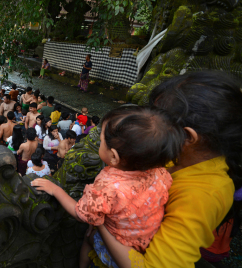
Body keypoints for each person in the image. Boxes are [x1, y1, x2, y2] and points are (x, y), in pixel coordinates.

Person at [94, 71, 242, 268]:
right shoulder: (179, 155)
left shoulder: (201, 196)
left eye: (158, 122)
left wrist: (102, 221)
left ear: (188, 137)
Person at [32, 106, 184, 268]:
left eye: (101, 141)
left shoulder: (108, 184)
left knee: (88, 238)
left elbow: (80, 213)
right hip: (145, 239)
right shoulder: (161, 172)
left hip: (117, 249)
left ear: (114, 156)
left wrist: (56, 189)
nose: (99, 143)